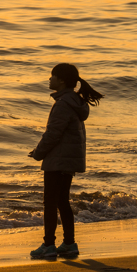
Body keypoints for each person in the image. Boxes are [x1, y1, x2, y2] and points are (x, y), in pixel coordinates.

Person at [27, 63, 103, 259]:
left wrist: (38, 153)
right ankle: (69, 243)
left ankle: (48, 245)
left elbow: (53, 134)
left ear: (61, 80)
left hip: (59, 160)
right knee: (62, 201)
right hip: (67, 160)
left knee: (50, 202)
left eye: (52, 76)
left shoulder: (62, 104)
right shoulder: (74, 102)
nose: (49, 79)